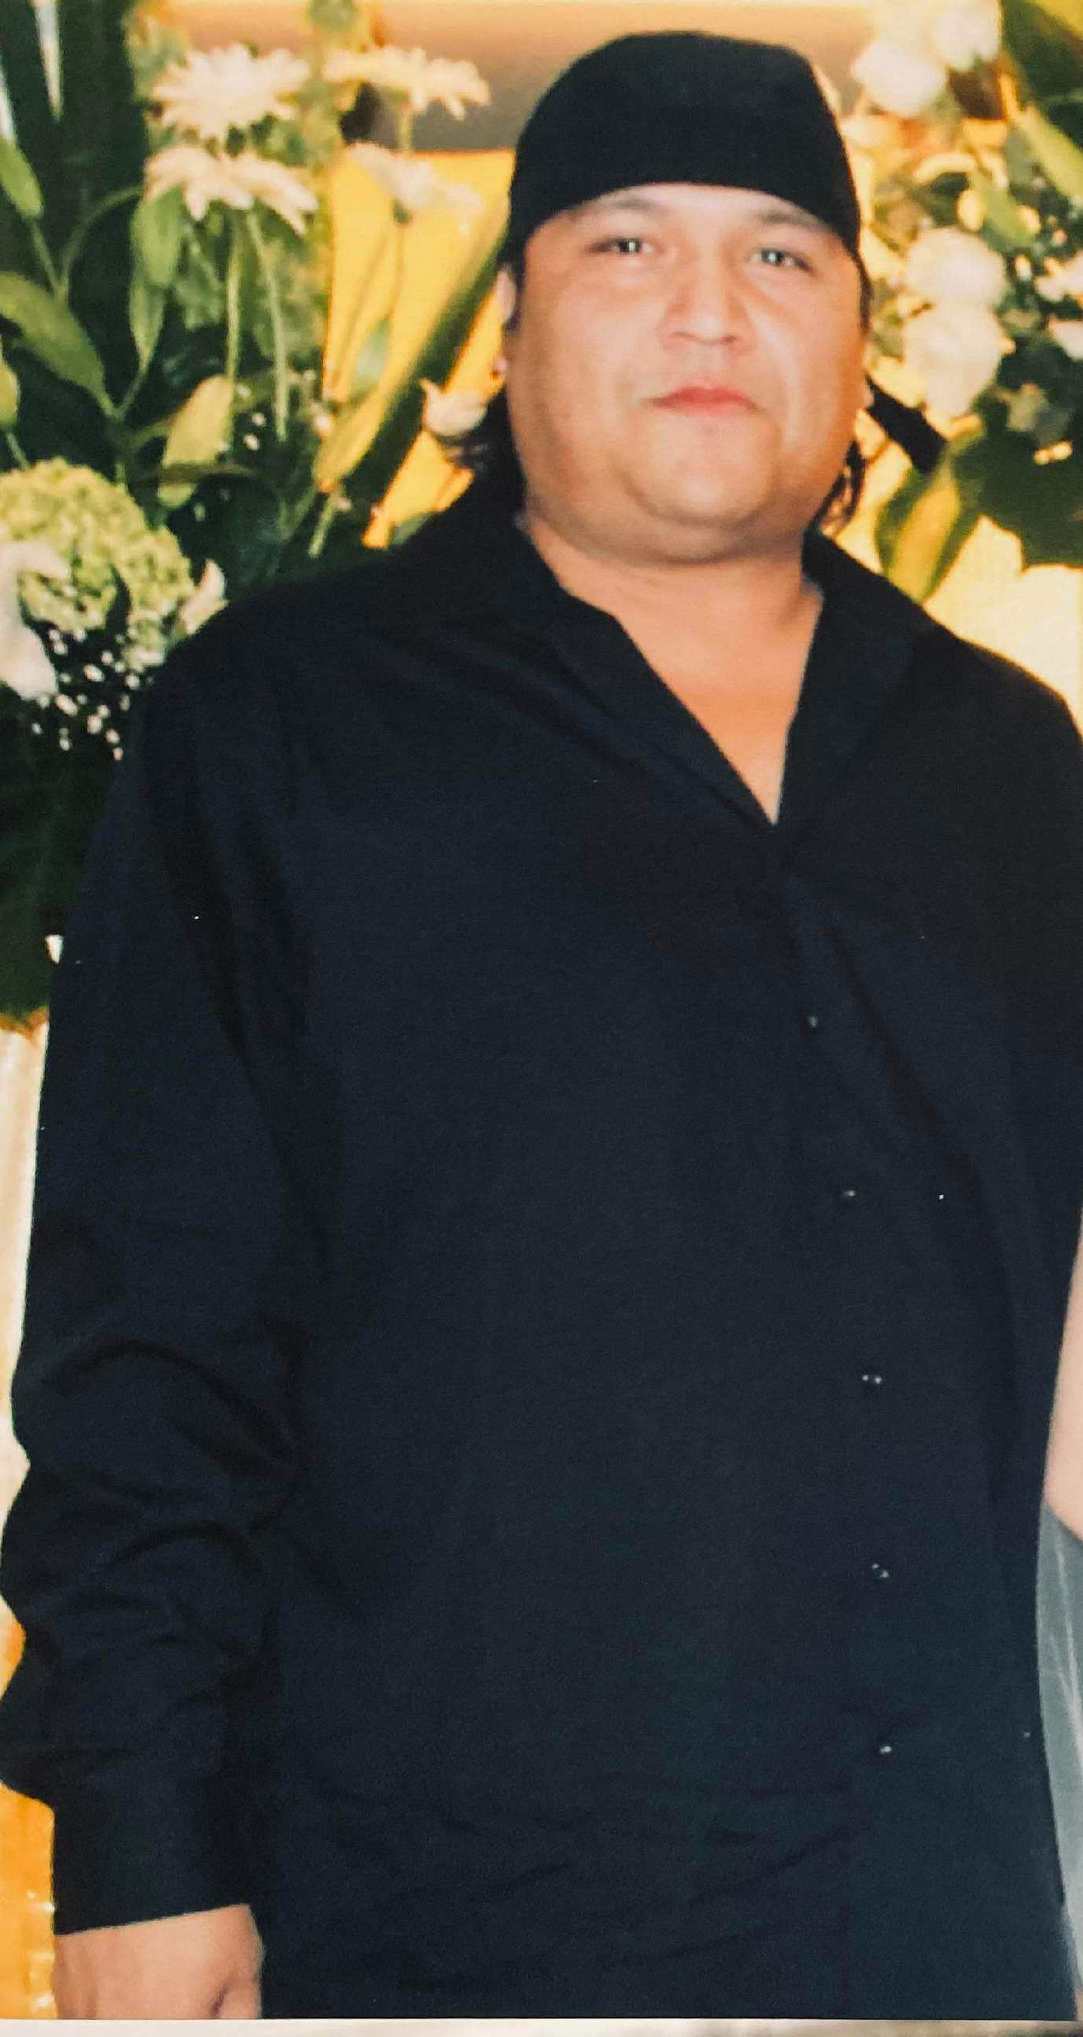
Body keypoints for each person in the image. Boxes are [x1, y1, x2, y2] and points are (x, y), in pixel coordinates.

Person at [0, 27, 1081, 2020]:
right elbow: (146, 1343)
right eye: (626, 244)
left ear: (857, 343)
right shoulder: (281, 729)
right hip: (438, 1910)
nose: (708, 308)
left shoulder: (1011, 767)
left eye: (779, 255)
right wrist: (141, 1847)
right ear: (508, 327)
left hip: (952, 1916)